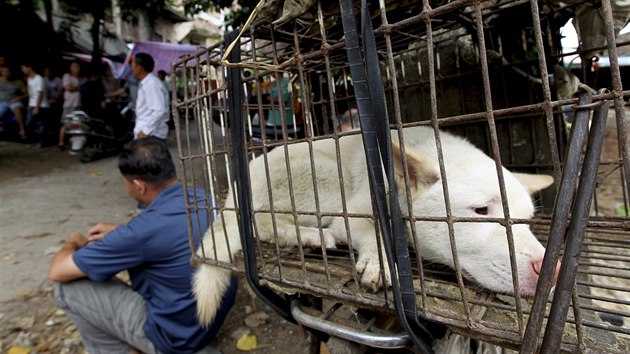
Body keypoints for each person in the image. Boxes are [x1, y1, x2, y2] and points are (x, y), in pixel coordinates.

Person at [48, 138, 238, 354]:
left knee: (67, 288)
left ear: (139, 185)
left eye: (125, 183)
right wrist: (118, 231)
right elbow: (168, 233)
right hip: (207, 322)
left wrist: (72, 242)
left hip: (174, 338)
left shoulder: (139, 233)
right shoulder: (204, 198)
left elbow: (58, 271)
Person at [131, 53, 169, 141]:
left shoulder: (152, 83)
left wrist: (145, 131)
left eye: (133, 65)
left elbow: (159, 110)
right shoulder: (147, 82)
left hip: (152, 135)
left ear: (140, 67)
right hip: (148, 134)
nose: (131, 68)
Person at [21, 61, 50, 146]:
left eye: (23, 68)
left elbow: (39, 93)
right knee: (28, 123)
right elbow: (31, 93)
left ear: (29, 68)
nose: (23, 70)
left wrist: (37, 107)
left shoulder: (39, 78)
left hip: (42, 105)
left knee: (41, 124)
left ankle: (41, 142)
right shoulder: (29, 79)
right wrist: (30, 104)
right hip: (32, 104)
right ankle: (32, 140)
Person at [0, 65, 27, 140]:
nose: (5, 73)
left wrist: (19, 97)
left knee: (16, 107)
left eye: (7, 71)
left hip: (12, 100)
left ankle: (22, 130)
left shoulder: (18, 82)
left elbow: (27, 93)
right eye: (3, 71)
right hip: (2, 102)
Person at [60, 61, 82, 149]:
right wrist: (77, 87)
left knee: (76, 124)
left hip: (77, 104)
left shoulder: (80, 79)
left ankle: (73, 143)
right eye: (75, 66)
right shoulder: (67, 76)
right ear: (70, 68)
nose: (77, 69)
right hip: (69, 104)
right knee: (65, 123)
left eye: (78, 67)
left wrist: (75, 86)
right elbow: (68, 88)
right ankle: (61, 143)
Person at [44, 65, 64, 148]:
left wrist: (56, 97)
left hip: (56, 103)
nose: (48, 73)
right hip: (46, 103)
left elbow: (60, 91)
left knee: (56, 121)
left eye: (49, 71)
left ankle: (56, 138)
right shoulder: (43, 80)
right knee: (47, 122)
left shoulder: (58, 80)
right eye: (46, 71)